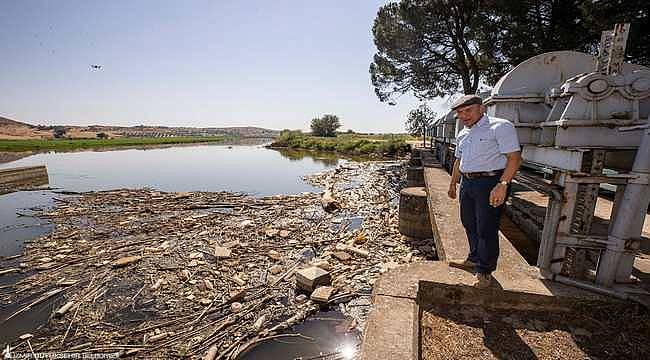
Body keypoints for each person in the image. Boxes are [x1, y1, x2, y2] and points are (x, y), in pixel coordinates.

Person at [447, 95, 522, 288]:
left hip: (490, 182)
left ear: (481, 108)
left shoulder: (500, 126)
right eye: (460, 113)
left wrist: (502, 184)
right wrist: (453, 183)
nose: (464, 116)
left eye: (468, 111)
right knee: (468, 222)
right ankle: (473, 258)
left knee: (486, 227)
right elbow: (458, 160)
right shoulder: (463, 133)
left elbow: (514, 158)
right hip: (468, 182)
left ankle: (485, 271)